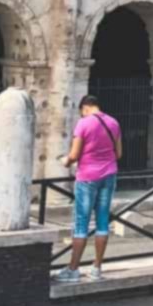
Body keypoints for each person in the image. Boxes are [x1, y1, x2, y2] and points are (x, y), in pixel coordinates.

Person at [58, 95, 123, 284]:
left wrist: (66, 161)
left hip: (87, 177)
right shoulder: (113, 122)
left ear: (85, 108)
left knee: (81, 223)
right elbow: (118, 153)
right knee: (103, 221)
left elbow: (75, 154)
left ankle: (73, 269)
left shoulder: (84, 123)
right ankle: (96, 268)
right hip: (109, 174)